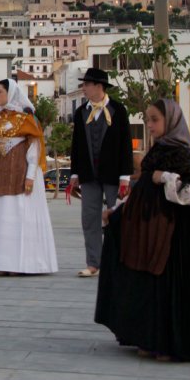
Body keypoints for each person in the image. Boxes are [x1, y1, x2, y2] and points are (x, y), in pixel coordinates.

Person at [95, 98, 190, 362]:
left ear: (170, 120)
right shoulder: (157, 150)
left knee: (166, 285)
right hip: (147, 230)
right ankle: (148, 338)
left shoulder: (180, 153)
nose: (149, 125)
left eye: (154, 119)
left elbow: (189, 195)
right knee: (148, 284)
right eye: (148, 119)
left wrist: (166, 178)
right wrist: (118, 212)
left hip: (172, 236)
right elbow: (143, 189)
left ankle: (169, 343)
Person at [0, 79, 58, 275]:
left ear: (11, 93)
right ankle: (0, 263)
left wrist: (30, 176)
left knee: (17, 217)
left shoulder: (27, 120)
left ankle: (18, 264)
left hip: (18, 172)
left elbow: (34, 148)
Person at [69, 67, 133, 278]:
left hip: (114, 173)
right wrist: (74, 174)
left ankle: (118, 262)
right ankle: (93, 263)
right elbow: (76, 145)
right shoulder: (81, 112)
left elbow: (125, 145)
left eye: (86, 84)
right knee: (89, 218)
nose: (84, 88)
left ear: (99, 86)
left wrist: (125, 176)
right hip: (89, 174)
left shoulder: (118, 110)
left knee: (117, 218)